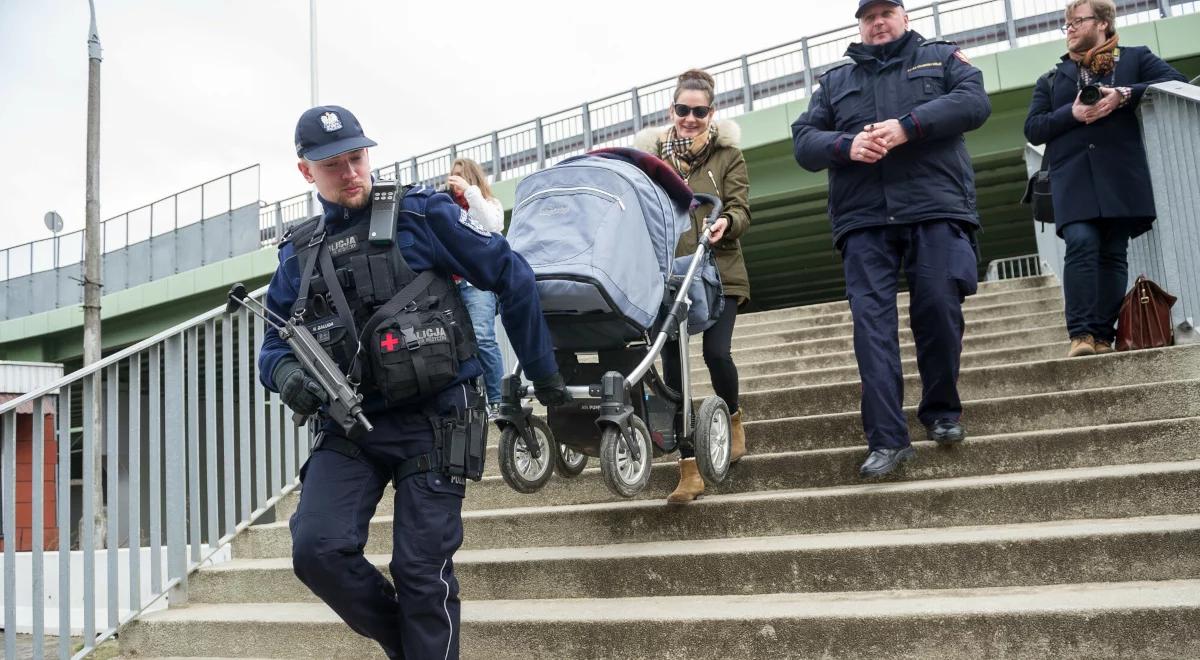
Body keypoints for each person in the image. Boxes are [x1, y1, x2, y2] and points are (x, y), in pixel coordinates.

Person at [258, 105, 568, 660]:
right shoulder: (297, 254)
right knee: (316, 551)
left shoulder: (422, 215)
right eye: (333, 165)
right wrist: (286, 376)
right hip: (353, 426)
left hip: (437, 416)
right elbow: (273, 344)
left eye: (357, 157)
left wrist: (545, 380)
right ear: (307, 172)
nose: (351, 172)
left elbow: (511, 274)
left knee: (421, 571)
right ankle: (414, 647)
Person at [791, 0, 991, 478]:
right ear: (860, 26)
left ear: (904, 17)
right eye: (868, 17)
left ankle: (942, 411)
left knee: (939, 308)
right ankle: (886, 439)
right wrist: (846, 145)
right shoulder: (835, 81)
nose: (877, 23)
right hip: (863, 219)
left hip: (935, 206)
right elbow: (803, 140)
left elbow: (974, 103)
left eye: (886, 13)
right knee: (871, 329)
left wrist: (908, 127)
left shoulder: (941, 57)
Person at [1024, 0, 1186, 358]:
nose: (1069, 29)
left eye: (1076, 22)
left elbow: (1177, 83)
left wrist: (1125, 95)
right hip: (1073, 178)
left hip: (1120, 174)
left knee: (1114, 253)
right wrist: (1073, 113)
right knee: (1081, 242)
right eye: (1065, 24)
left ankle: (1102, 336)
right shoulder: (1051, 79)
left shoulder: (1134, 59)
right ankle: (1080, 333)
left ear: (1103, 23)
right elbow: (1033, 128)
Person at [634, 69, 752, 503]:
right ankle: (688, 469)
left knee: (716, 353)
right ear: (671, 110)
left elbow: (741, 208)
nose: (690, 118)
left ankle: (733, 416)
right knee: (673, 372)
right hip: (671, 279)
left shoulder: (728, 158)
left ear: (711, 113)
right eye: (682, 110)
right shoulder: (652, 163)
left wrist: (728, 221)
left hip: (719, 271)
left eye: (699, 111)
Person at [445, 158, 507, 415]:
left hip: (478, 283)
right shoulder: (446, 208)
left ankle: (500, 400)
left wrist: (471, 193)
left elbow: (492, 226)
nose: (455, 179)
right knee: (460, 347)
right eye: (453, 175)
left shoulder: (489, 204)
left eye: (461, 175)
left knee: (483, 338)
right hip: (452, 286)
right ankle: (474, 402)